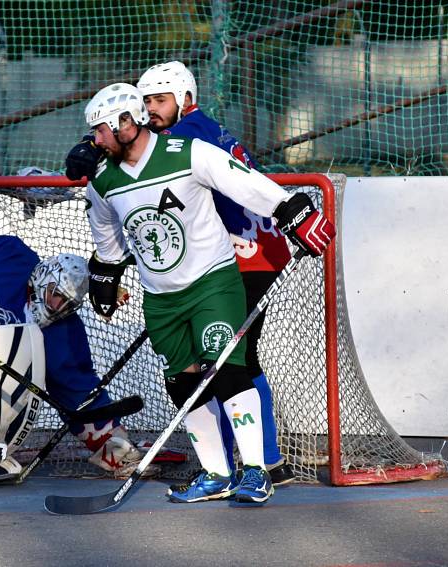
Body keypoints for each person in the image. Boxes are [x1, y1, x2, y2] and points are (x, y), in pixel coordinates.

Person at [77, 82, 334, 506]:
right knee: (182, 383)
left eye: (100, 130)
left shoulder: (186, 152)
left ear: (127, 124)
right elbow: (107, 236)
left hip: (213, 282)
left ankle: (256, 472)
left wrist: (292, 212)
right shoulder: (102, 182)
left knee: (226, 368)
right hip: (160, 296)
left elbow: (244, 183)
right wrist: (105, 275)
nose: (94, 141)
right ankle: (217, 474)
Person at [0, 234, 151, 487]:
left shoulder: (60, 326)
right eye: (56, 294)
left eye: (66, 303)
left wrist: (110, 442)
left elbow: (76, 384)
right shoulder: (9, 256)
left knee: (9, 370)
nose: (57, 305)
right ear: (43, 278)